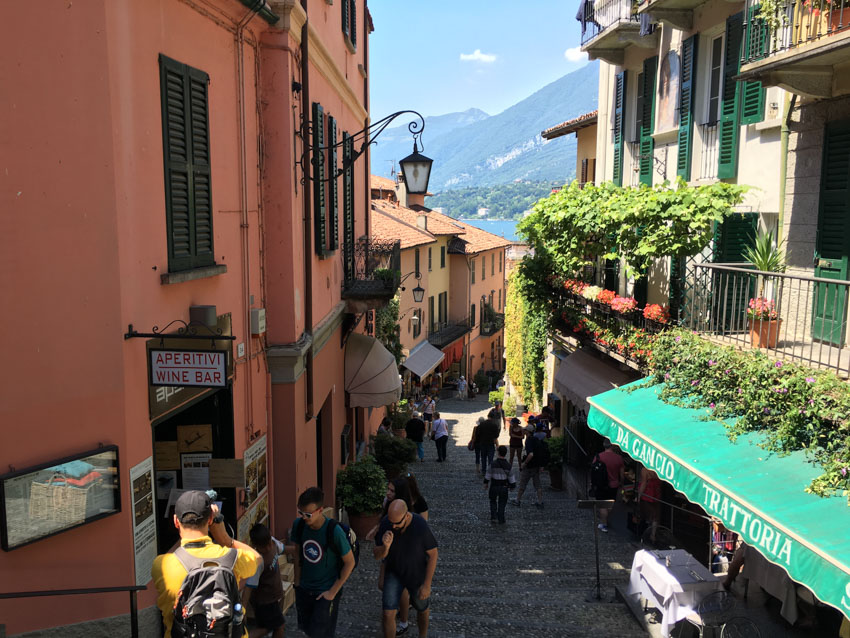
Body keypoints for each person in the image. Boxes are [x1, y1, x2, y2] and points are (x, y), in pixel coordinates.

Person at [152, 490, 260, 637]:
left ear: (176, 521)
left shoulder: (162, 565)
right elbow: (258, 559)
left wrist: (183, 537)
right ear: (210, 519)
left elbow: (170, 554)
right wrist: (224, 537)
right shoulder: (234, 558)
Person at [289, 487, 355, 638]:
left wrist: (332, 593)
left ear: (320, 510)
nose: (304, 518)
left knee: (321, 634)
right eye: (301, 513)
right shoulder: (299, 526)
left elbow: (349, 563)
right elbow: (297, 553)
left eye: (308, 514)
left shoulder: (334, 532)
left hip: (325, 591)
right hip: (304, 589)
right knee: (307, 630)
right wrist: (297, 583)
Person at [374, 500, 439, 638]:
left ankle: (423, 635)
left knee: (422, 609)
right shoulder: (387, 523)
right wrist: (385, 547)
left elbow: (433, 554)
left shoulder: (419, 525)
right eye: (391, 522)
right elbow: (377, 555)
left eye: (397, 523)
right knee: (388, 614)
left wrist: (427, 585)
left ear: (407, 516)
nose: (393, 526)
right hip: (394, 572)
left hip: (416, 573)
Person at [245, 523, 287, 638]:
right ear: (255, 546)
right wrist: (242, 609)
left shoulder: (273, 543)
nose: (268, 548)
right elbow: (249, 586)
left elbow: (284, 549)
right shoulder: (258, 561)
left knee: (268, 627)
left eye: (268, 544)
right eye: (263, 547)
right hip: (264, 601)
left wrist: (299, 551)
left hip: (272, 598)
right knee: (277, 626)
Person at [511, 424, 545, 509]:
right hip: (536, 466)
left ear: (528, 432)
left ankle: (517, 500)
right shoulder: (536, 439)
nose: (523, 430)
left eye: (525, 430)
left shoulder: (529, 440)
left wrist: (524, 464)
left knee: (523, 483)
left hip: (529, 466)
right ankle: (540, 502)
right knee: (537, 484)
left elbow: (530, 454)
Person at [596, 440, 625, 532]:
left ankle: (604, 524)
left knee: (602, 504)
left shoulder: (599, 457)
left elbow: (594, 470)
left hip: (601, 484)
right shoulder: (619, 458)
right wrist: (622, 484)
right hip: (614, 484)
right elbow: (622, 474)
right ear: (612, 446)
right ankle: (606, 520)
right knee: (610, 504)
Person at [484, 445, 515, 523]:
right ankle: (501, 518)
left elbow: (488, 475)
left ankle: (494, 516)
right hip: (504, 486)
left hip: (494, 485)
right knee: (502, 502)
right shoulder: (508, 466)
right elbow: (511, 477)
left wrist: (486, 483)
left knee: (493, 501)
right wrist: (512, 486)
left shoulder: (493, 464)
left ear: (498, 453)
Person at [638, 466, 662, 542]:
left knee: (646, 514)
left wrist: (638, 496)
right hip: (656, 493)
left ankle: (646, 533)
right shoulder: (659, 468)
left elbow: (644, 483)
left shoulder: (645, 469)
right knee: (655, 515)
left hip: (647, 494)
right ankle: (653, 534)